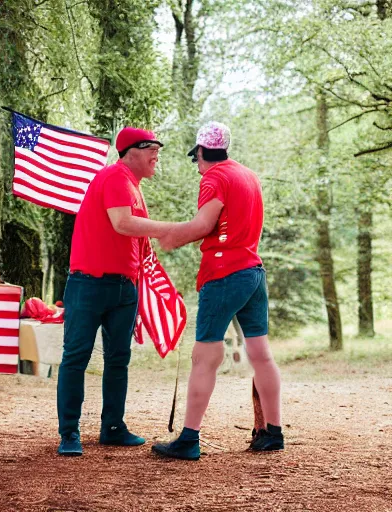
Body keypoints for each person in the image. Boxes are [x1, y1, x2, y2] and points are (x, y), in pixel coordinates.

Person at [152, 121, 284, 461]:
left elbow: (203, 225)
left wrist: (171, 236)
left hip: (225, 273)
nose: (196, 166)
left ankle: (189, 439)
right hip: (254, 271)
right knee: (261, 354)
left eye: (195, 158)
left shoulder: (214, 178)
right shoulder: (248, 176)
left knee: (205, 356)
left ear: (200, 152)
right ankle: (273, 432)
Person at [57, 126, 174, 456]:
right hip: (89, 284)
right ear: (130, 151)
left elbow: (137, 241)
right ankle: (69, 434)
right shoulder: (114, 177)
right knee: (76, 357)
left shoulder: (134, 187)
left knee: (118, 359)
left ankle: (112, 427)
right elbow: (122, 224)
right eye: (151, 148)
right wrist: (170, 229)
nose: (156, 154)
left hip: (125, 288)